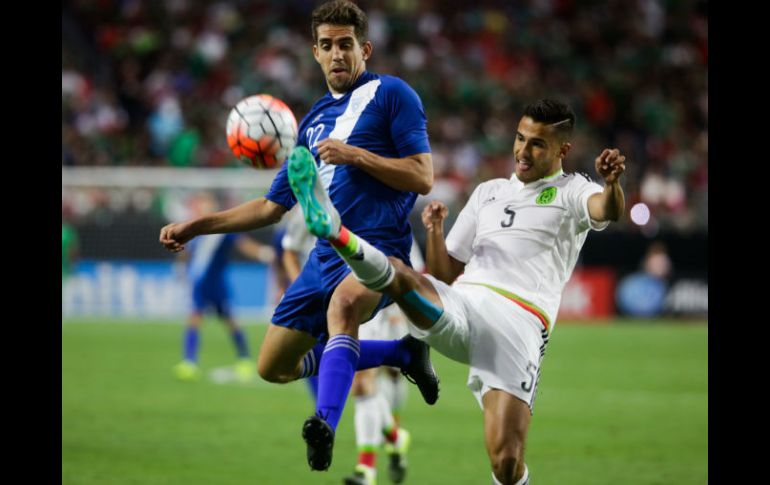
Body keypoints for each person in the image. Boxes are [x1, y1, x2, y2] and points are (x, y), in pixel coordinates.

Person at [159, 0, 439, 472]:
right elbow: (270, 208)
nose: (337, 55)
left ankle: (325, 425)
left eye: (345, 45)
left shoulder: (392, 94)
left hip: (377, 250)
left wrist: (356, 156)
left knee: (344, 308)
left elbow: (422, 174)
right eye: (327, 45)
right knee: (273, 366)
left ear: (364, 48)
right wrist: (197, 224)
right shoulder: (308, 126)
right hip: (322, 261)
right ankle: (401, 352)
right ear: (314, 52)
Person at [287, 98, 626, 485]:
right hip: (462, 303)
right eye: (520, 138)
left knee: (506, 463)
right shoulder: (489, 193)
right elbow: (446, 271)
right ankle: (334, 229)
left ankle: (410, 353)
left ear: (562, 150)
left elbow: (607, 210)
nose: (523, 150)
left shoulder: (572, 190)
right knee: (399, 273)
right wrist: (433, 232)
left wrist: (612, 184)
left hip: (518, 325)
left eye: (537, 144)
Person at [344, 238, 423, 485]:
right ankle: (373, 461)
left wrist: (400, 310)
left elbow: (413, 272)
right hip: (348, 303)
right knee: (361, 383)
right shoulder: (333, 214)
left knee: (393, 374)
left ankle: (391, 435)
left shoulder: (393, 220)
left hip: (384, 307)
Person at [173, 193, 276, 382]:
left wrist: (264, 254)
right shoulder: (197, 231)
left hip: (217, 284)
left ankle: (244, 359)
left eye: (204, 206)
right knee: (194, 319)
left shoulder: (222, 231)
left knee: (230, 321)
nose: (200, 209)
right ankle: (189, 362)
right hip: (199, 283)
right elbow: (187, 252)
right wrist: (180, 267)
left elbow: (243, 244)